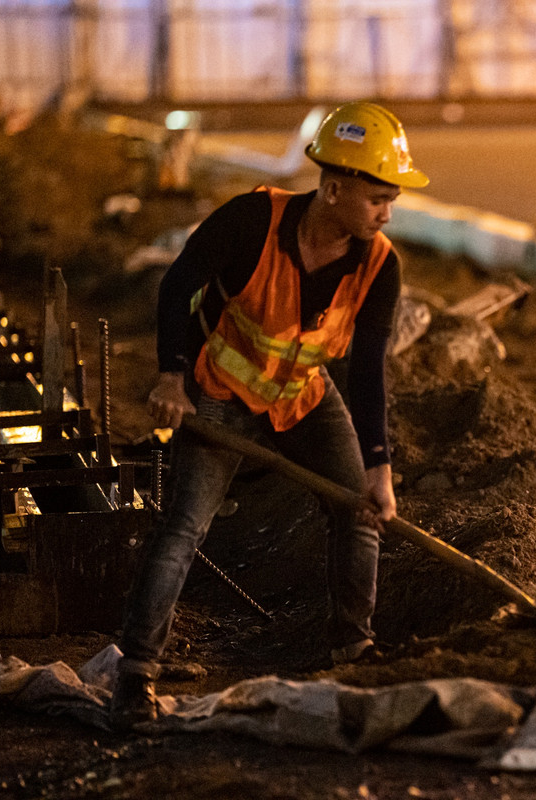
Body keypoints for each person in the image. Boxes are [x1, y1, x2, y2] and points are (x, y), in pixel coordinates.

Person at [109, 101, 429, 730]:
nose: (387, 212)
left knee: (358, 508)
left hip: (303, 395)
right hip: (220, 391)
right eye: (376, 198)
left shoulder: (379, 264)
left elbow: (368, 371)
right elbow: (179, 284)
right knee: (184, 529)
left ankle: (352, 651)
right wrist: (172, 376)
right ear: (333, 188)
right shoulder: (253, 219)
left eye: (393, 198)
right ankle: (136, 674)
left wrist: (379, 468)